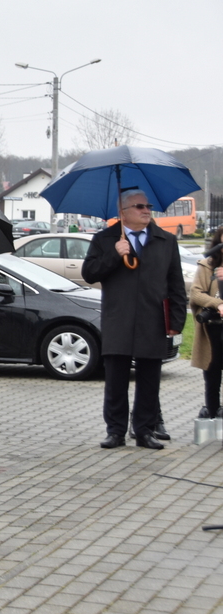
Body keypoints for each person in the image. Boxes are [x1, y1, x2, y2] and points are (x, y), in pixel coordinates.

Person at [82, 189, 187, 449]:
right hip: (118, 318)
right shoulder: (105, 239)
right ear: (123, 213)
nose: (146, 210)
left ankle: (144, 430)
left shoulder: (166, 241)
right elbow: (89, 273)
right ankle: (115, 431)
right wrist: (114, 254)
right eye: (139, 206)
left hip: (152, 319)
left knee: (150, 380)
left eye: (148, 206)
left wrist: (176, 321)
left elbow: (176, 285)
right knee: (116, 380)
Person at [190, 227, 223, 420]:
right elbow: (195, 293)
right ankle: (212, 412)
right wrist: (217, 304)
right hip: (212, 328)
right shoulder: (207, 265)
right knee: (212, 374)